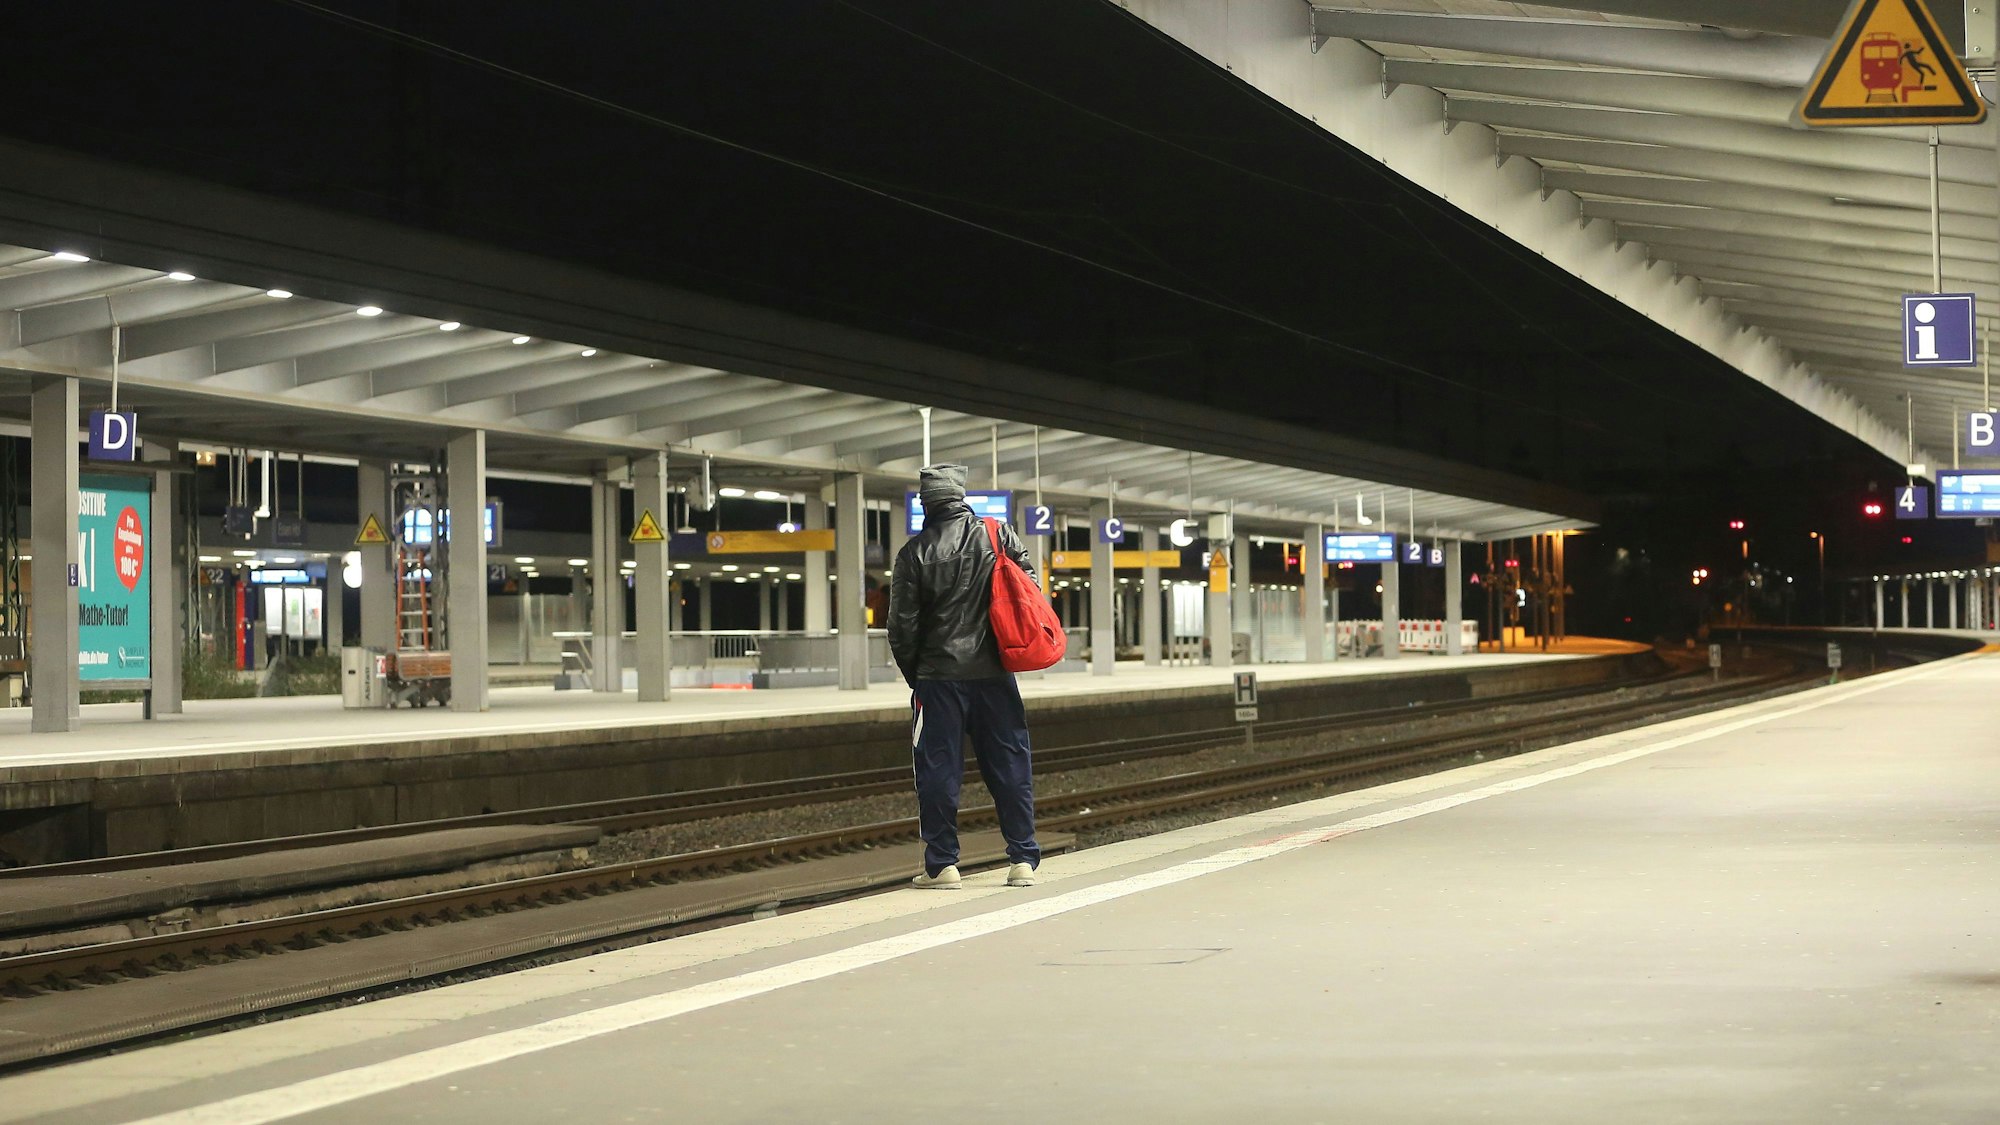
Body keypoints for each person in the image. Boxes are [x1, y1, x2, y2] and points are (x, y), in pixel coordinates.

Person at [888, 463, 1041, 889]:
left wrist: (917, 677)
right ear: (961, 496)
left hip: (938, 678)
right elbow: (1030, 591)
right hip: (995, 673)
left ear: (926, 504)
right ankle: (1023, 859)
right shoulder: (999, 535)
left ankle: (942, 865)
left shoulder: (914, 553)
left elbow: (901, 627)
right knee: (1010, 762)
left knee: (937, 769)